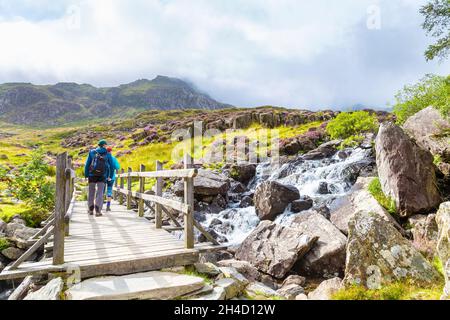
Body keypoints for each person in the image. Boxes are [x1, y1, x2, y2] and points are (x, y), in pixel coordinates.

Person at [84, 139, 114, 216]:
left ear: (98, 145)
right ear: (104, 145)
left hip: (92, 175)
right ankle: (98, 211)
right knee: (100, 193)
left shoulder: (92, 152)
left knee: (91, 192)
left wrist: (86, 175)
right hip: (102, 175)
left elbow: (87, 164)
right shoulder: (108, 153)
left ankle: (90, 210)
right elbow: (112, 166)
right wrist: (110, 176)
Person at [105, 146, 121, 212]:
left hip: (103, 177)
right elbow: (118, 167)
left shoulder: (103, 158)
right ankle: (108, 206)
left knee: (101, 190)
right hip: (111, 177)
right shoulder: (113, 158)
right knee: (109, 190)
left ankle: (99, 205)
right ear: (111, 151)